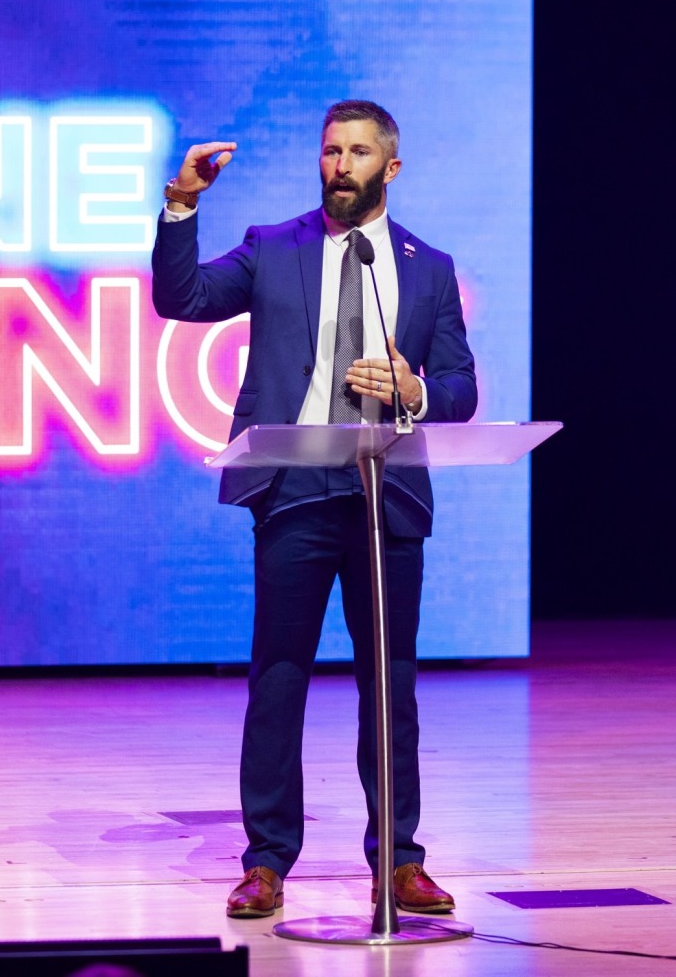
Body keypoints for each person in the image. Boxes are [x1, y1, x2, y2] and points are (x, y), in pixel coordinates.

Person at [151, 100, 478, 919]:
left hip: (386, 493)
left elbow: (463, 391)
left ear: (389, 169)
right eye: (330, 151)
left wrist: (416, 391)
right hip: (295, 491)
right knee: (280, 679)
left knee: (390, 684)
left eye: (358, 153)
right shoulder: (275, 247)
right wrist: (182, 206)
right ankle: (266, 863)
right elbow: (182, 297)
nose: (340, 165)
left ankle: (398, 861)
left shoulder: (426, 267)